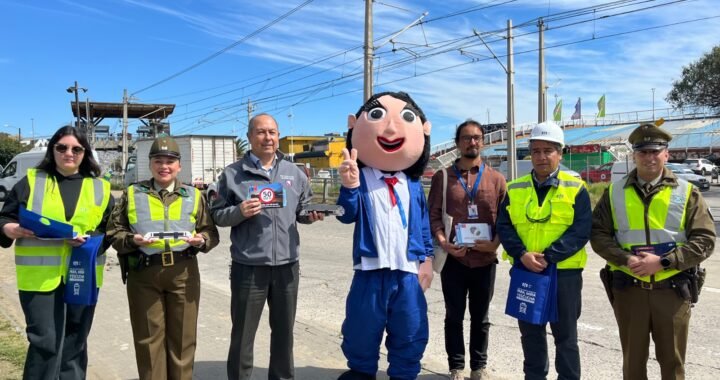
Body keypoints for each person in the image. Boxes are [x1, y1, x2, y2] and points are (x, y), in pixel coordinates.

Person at [590, 123, 715, 380]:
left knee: (673, 364)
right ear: (634, 155)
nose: (649, 157)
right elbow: (598, 235)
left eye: (655, 151)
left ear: (666, 154)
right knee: (632, 364)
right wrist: (626, 259)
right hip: (629, 289)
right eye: (643, 152)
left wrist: (665, 262)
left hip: (672, 290)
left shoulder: (687, 192)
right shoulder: (614, 193)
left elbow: (705, 239)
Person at [210, 113, 323, 380]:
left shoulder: (294, 174)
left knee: (284, 335)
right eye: (261, 132)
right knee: (243, 336)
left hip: (287, 267)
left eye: (272, 132)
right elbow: (216, 215)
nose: (268, 138)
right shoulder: (232, 174)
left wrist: (311, 216)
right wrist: (239, 211)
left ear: (278, 135)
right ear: (250, 137)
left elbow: (301, 211)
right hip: (248, 268)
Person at [0, 126, 113, 380]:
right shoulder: (31, 181)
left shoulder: (101, 188)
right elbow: (4, 218)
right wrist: (11, 228)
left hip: (82, 276)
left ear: (85, 153)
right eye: (62, 147)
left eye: (76, 148)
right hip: (39, 279)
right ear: (53, 149)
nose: (69, 153)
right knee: (45, 342)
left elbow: (110, 231)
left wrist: (90, 243)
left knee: (75, 342)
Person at [336, 91, 434, 380]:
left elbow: (423, 225)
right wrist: (349, 186)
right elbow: (345, 216)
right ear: (354, 126)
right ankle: (361, 372)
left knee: (412, 328)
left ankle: (404, 374)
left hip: (407, 270)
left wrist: (426, 259)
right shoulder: (361, 178)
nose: (391, 130)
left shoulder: (412, 184)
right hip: (370, 269)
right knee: (361, 327)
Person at [106, 135, 219, 380]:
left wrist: (202, 241)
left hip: (183, 272)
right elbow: (114, 232)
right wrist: (131, 241)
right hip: (144, 274)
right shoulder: (132, 194)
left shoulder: (194, 195)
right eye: (158, 160)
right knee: (148, 341)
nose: (164, 166)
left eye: (170, 160)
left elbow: (211, 232)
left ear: (179, 165)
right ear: (150, 164)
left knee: (183, 340)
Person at [496, 121, 591, 380]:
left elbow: (581, 231)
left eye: (548, 150)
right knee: (530, 334)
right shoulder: (515, 188)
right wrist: (522, 255)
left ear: (560, 153)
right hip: (526, 271)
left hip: (564, 275)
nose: (541, 156)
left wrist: (549, 256)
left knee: (566, 337)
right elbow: (504, 227)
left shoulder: (576, 188)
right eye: (536, 151)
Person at [427, 120, 506, 380]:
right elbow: (434, 215)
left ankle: (478, 367)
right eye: (466, 138)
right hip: (454, 260)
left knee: (481, 318)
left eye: (476, 137)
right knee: (454, 316)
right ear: (457, 142)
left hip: (485, 260)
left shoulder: (496, 179)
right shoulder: (443, 177)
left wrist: (495, 243)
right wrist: (443, 241)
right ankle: (456, 367)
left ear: (482, 141)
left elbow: (505, 220)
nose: (472, 142)